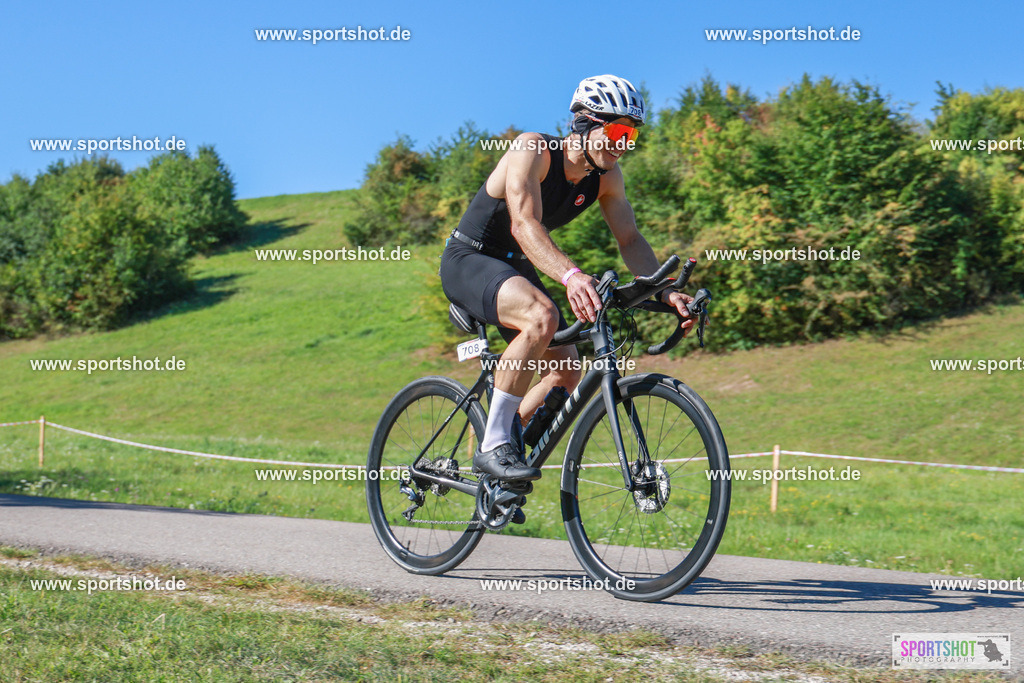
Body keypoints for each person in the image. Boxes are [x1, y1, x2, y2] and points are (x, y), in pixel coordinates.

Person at [439, 74, 695, 483]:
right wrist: (572, 276)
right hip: (470, 257)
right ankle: (493, 447)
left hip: (517, 267)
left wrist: (665, 293)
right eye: (617, 131)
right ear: (584, 123)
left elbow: (629, 240)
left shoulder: (606, 179)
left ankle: (503, 453)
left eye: (631, 136)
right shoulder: (533, 149)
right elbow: (524, 225)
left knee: (565, 371)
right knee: (542, 316)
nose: (623, 144)